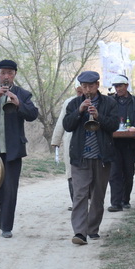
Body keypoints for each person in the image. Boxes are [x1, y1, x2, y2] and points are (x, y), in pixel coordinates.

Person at [0, 59, 39, 238]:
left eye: (9, 73)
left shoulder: (23, 93)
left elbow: (32, 115)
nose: (6, 76)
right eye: (3, 73)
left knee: (9, 188)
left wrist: (18, 104)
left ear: (14, 75)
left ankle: (6, 226)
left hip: (13, 149)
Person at [63, 71, 118, 245]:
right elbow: (67, 125)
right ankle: (79, 232)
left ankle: (92, 229)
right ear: (81, 87)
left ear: (97, 85)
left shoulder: (109, 103)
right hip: (80, 157)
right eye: (84, 86)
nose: (87, 89)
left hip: (101, 157)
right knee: (80, 194)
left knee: (97, 195)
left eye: (91, 86)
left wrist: (99, 115)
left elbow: (114, 125)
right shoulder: (74, 103)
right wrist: (80, 111)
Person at [107, 74, 135, 212]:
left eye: (120, 86)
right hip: (114, 142)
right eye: (116, 86)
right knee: (114, 173)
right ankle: (115, 203)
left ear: (127, 86)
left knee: (128, 172)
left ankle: (125, 199)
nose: (118, 88)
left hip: (131, 143)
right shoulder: (109, 101)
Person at [50, 79, 83, 211]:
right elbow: (61, 123)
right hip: (70, 141)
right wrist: (56, 141)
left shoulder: (95, 102)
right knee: (70, 172)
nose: (81, 93)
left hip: (88, 144)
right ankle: (75, 201)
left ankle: (89, 200)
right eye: (79, 91)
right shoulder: (69, 103)